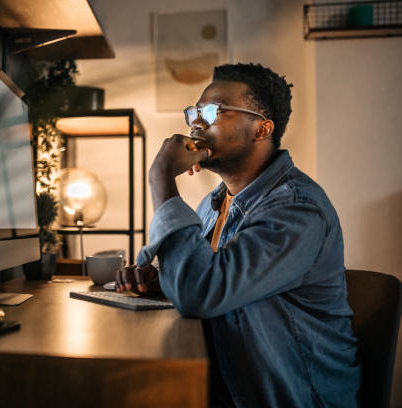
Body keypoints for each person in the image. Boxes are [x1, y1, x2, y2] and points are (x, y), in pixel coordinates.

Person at [116, 63, 361, 407]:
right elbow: (203, 284)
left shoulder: (298, 210)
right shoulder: (211, 205)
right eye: (195, 112)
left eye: (214, 111)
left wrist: (161, 177)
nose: (196, 122)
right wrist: (163, 281)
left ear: (261, 130)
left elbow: (200, 292)